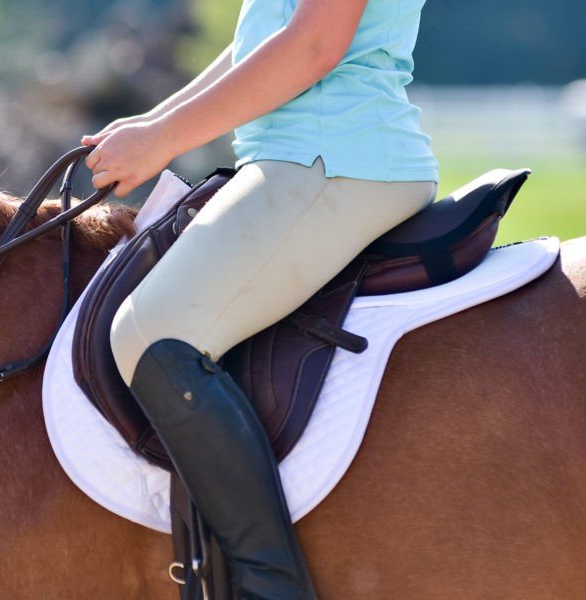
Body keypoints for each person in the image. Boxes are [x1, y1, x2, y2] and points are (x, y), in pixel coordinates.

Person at [81, 0, 438, 597]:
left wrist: (164, 138)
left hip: (332, 159)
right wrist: (153, 124)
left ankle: (269, 587)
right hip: (297, 158)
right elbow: (266, 33)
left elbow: (312, 45)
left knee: (152, 333)